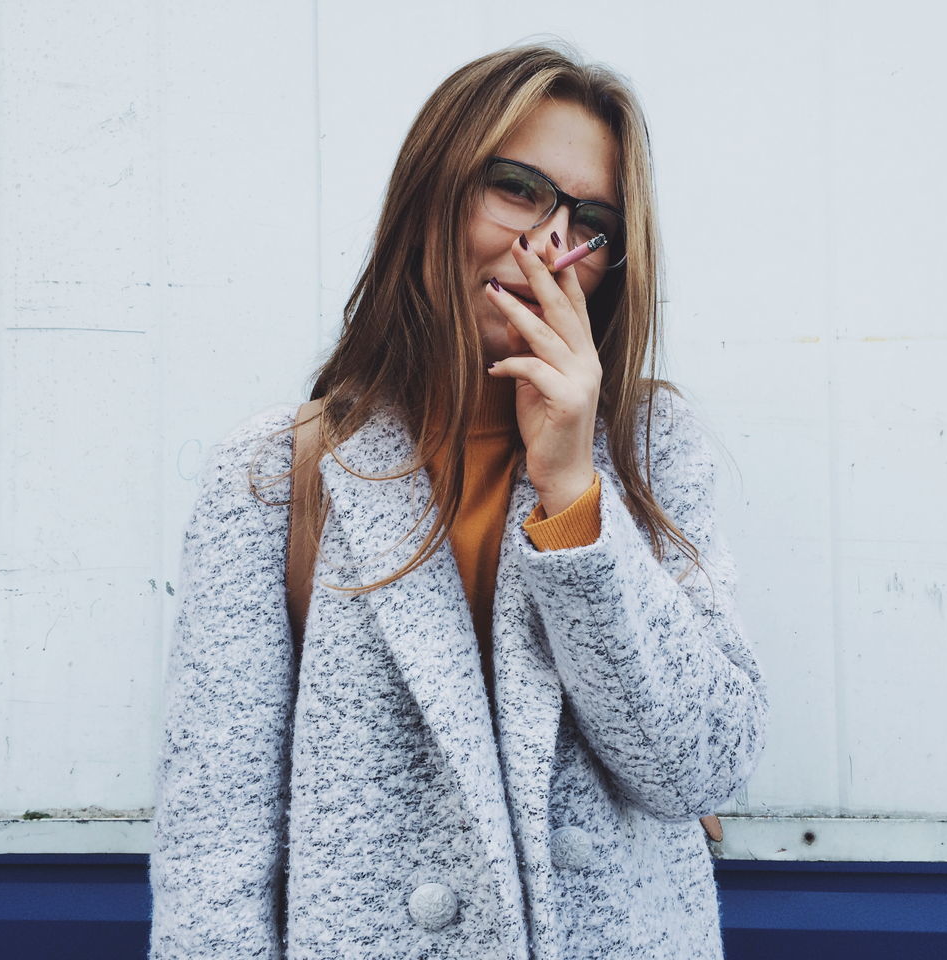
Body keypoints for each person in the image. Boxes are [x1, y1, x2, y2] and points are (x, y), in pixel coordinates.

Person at [149, 40, 769, 960]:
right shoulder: (278, 476)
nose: (550, 245)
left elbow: (700, 768)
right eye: (516, 188)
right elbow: (216, 852)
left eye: (589, 221)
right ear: (434, 192)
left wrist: (572, 493)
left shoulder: (647, 453)